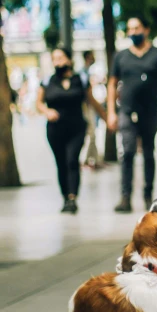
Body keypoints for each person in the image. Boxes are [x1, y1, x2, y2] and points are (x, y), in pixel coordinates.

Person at [107, 16, 157, 213]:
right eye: (129, 29)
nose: (133, 32)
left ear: (146, 29)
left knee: (148, 153)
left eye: (136, 28)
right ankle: (125, 197)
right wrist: (111, 112)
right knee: (127, 152)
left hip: (150, 111)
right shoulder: (121, 57)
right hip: (127, 111)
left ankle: (147, 195)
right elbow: (112, 84)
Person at [36, 47, 106, 213]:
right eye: (54, 59)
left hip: (77, 128)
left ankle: (73, 197)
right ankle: (65, 197)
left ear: (69, 60)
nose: (58, 62)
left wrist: (106, 117)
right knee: (61, 163)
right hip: (55, 130)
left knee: (72, 160)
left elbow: (92, 101)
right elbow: (38, 103)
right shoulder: (47, 81)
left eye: (61, 57)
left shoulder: (80, 79)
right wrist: (47, 112)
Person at [81, 50, 101, 166]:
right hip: (87, 106)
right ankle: (87, 160)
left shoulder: (89, 71)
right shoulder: (84, 72)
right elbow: (87, 93)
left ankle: (94, 159)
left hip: (91, 106)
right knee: (91, 133)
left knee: (93, 133)